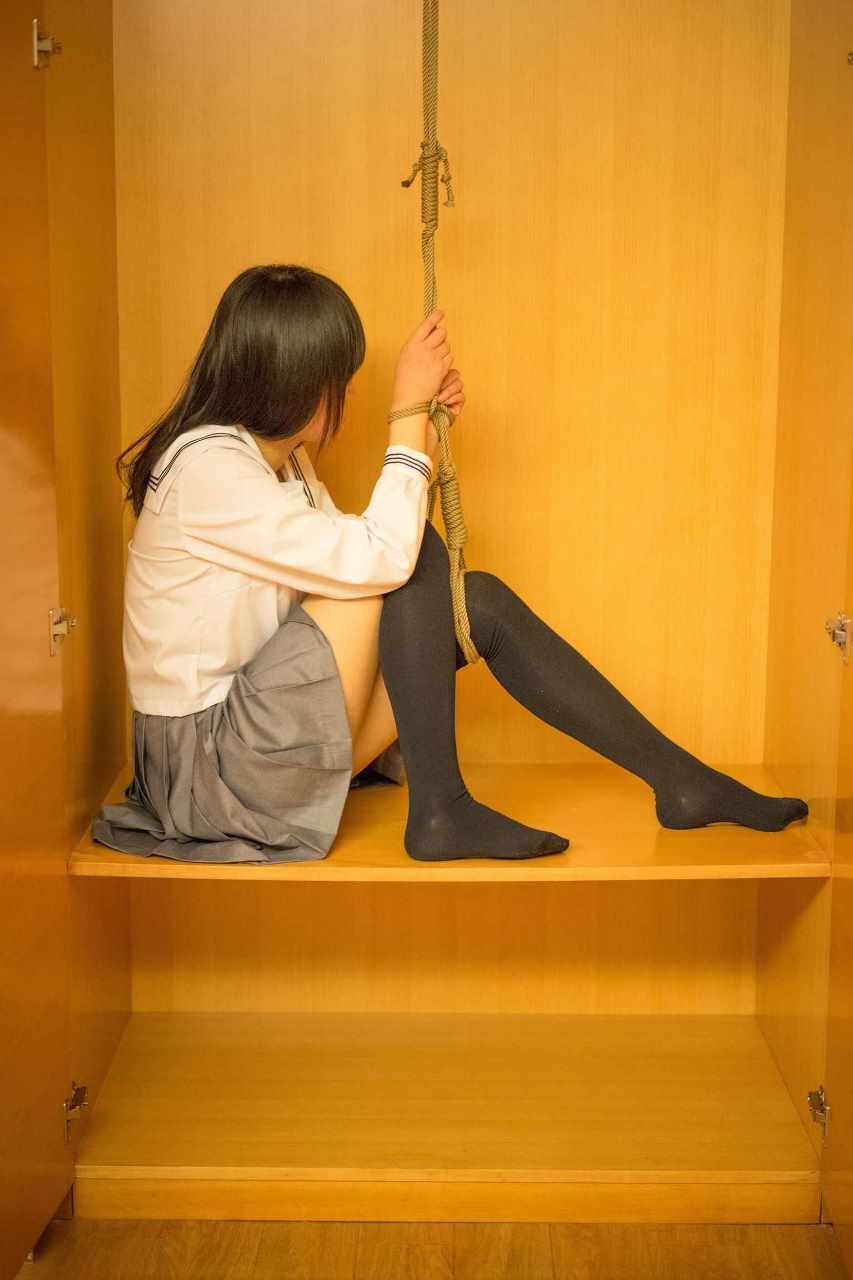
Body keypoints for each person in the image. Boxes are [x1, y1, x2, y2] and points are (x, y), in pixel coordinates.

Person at [92, 263, 809, 866]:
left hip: (253, 745)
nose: (346, 393)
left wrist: (425, 437)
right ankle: (441, 809)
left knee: (477, 601)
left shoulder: (281, 468)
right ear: (295, 383)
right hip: (212, 771)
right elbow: (380, 559)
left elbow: (373, 559)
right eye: (339, 378)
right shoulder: (209, 468)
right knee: (407, 556)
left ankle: (679, 781)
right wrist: (407, 417)